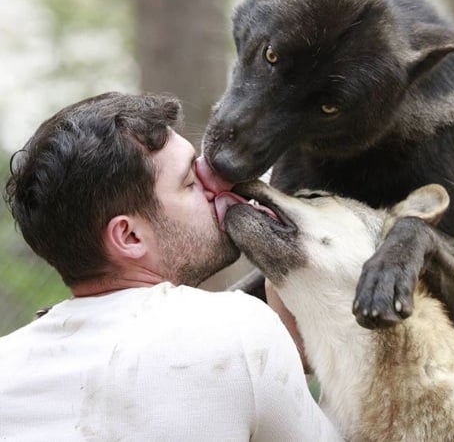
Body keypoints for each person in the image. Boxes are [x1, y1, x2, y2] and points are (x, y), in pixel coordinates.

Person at [0, 92, 342, 441]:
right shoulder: (236, 329)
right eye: (189, 182)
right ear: (129, 236)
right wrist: (330, 353)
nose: (218, 183)